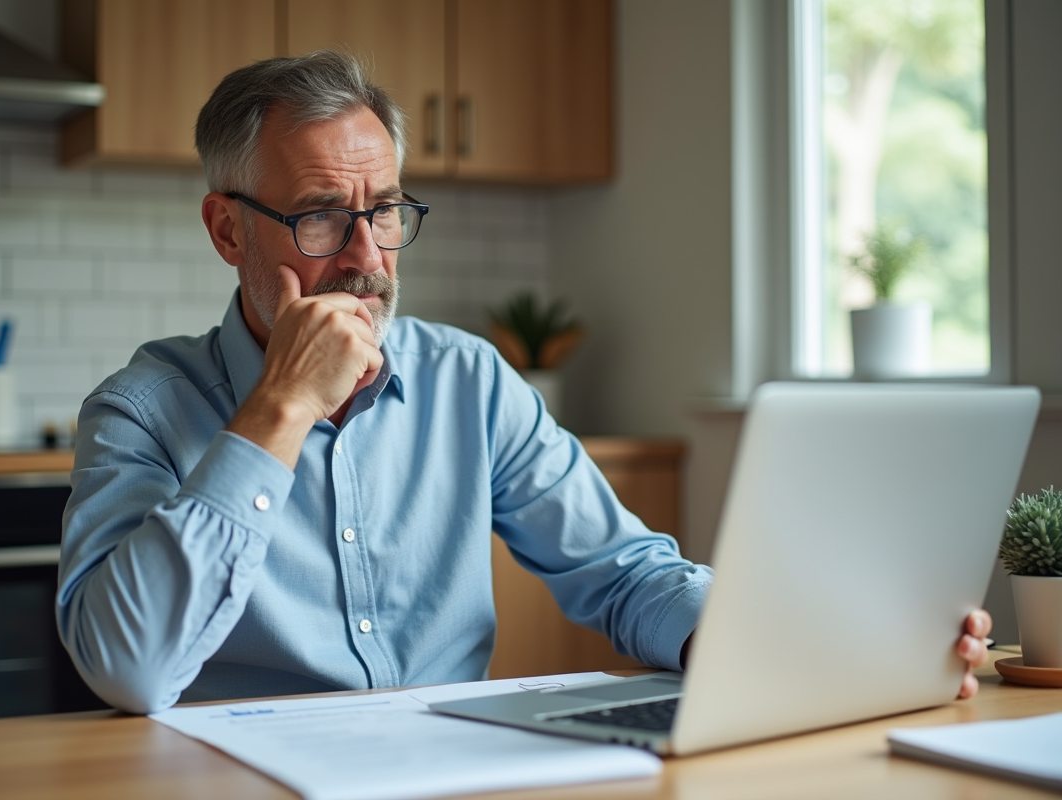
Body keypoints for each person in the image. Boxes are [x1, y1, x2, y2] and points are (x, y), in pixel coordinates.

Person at [56, 51, 990, 714]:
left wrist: (817, 647)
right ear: (227, 231)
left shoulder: (468, 381)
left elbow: (625, 575)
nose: (365, 257)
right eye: (317, 219)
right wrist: (280, 409)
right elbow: (128, 672)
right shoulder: (139, 411)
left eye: (384, 213)